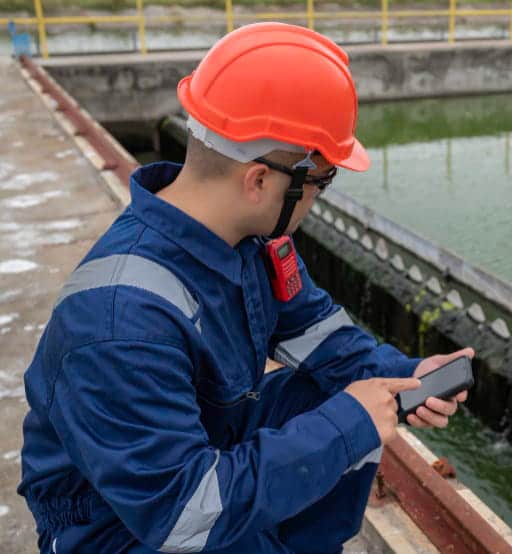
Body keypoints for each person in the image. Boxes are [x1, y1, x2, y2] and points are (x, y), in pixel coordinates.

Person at [18, 22, 473, 553]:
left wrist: (406, 377)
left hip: (201, 444)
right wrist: (346, 424)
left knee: (346, 404)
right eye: (321, 182)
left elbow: (321, 340)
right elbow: (180, 514)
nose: (319, 198)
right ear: (259, 181)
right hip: (115, 523)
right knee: (346, 421)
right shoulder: (118, 321)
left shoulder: (250, 242)